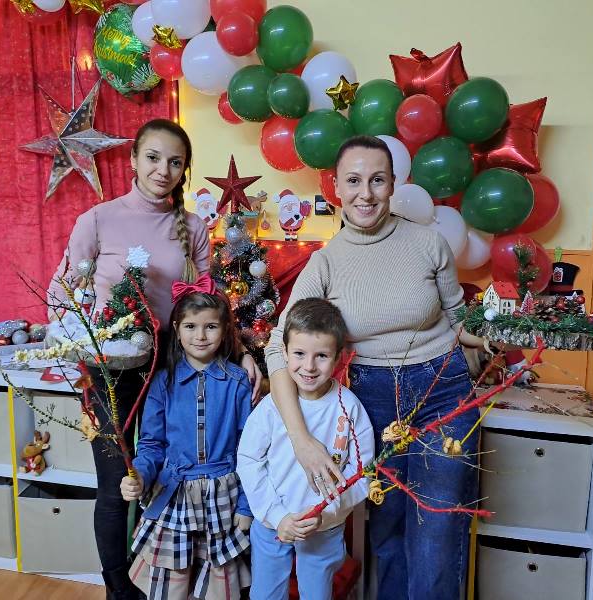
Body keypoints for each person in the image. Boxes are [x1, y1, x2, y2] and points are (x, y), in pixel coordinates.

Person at [47, 119, 261, 599]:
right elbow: (62, 292)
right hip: (114, 367)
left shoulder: (193, 227)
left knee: (166, 474)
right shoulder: (97, 219)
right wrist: (74, 344)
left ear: (184, 170)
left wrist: (242, 350)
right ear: (132, 160)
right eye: (153, 157)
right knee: (117, 483)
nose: (163, 169)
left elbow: (210, 302)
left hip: (174, 362)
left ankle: (164, 582)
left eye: (175, 162)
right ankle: (120, 591)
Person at [263, 135, 484, 599]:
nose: (365, 194)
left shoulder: (429, 243)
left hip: (442, 390)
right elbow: (277, 348)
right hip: (371, 400)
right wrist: (302, 441)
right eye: (354, 181)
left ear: (393, 184)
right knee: (388, 530)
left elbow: (460, 320)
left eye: (377, 180)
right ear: (336, 188)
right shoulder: (325, 264)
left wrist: (497, 334)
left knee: (438, 530)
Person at [120, 281, 253, 599]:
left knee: (218, 581)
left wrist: (246, 506)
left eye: (211, 326)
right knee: (172, 580)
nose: (201, 336)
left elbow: (250, 451)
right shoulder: (162, 383)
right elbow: (151, 445)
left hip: (224, 497)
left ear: (225, 330)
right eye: (191, 326)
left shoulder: (238, 383)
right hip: (175, 493)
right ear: (177, 329)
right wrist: (140, 476)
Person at [238, 298, 374, 600]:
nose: (309, 366)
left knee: (317, 594)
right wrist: (277, 516)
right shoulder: (272, 406)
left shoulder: (349, 408)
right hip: (273, 525)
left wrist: (327, 511)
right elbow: (248, 461)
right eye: (299, 354)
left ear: (339, 357)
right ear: (284, 352)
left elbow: (363, 473)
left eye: (321, 356)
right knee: (265, 594)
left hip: (324, 529)